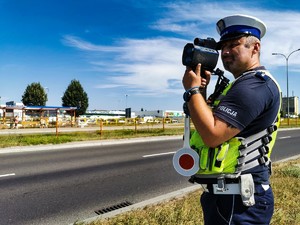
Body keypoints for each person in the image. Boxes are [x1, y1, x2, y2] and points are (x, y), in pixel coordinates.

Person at [182, 15, 280, 224]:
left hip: (240, 202)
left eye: (233, 45)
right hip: (226, 197)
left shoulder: (254, 86)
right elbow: (208, 121)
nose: (225, 52)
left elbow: (213, 134)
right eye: (223, 46)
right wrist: (201, 90)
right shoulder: (237, 86)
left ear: (255, 47)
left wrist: (192, 91)